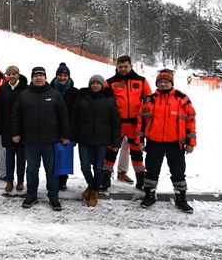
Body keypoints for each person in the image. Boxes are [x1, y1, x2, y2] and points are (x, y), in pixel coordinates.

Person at [137, 70, 197, 213]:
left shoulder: (182, 98)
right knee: (151, 170)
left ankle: (181, 198)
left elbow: (190, 121)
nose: (163, 84)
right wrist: (140, 140)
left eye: (166, 82)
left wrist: (191, 142)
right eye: (160, 82)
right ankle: (150, 195)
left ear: (171, 83)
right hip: (154, 142)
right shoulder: (148, 99)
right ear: (157, 83)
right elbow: (141, 122)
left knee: (178, 171)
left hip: (175, 143)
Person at [11, 66, 70, 211]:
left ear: (45, 77)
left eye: (41, 75)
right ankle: (31, 195)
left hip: (50, 141)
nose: (38, 78)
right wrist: (15, 133)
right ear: (32, 78)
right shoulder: (24, 95)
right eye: (36, 75)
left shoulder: (55, 95)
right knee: (31, 170)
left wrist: (65, 135)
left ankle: (53, 196)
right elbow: (16, 116)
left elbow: (63, 116)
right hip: (30, 142)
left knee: (51, 171)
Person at [103, 55, 152, 191]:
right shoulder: (110, 83)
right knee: (111, 150)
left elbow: (149, 102)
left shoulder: (141, 81)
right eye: (120, 67)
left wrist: (147, 122)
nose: (123, 69)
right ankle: (105, 177)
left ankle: (141, 178)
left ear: (131, 66)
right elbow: (104, 103)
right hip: (117, 124)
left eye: (126, 66)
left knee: (136, 151)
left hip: (135, 124)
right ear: (116, 67)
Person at [72, 75, 121, 207]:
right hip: (84, 139)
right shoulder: (81, 98)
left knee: (99, 168)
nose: (95, 86)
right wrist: (73, 136)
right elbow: (74, 118)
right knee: (85, 167)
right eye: (93, 83)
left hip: (102, 140)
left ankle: (94, 192)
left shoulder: (109, 100)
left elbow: (116, 122)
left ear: (102, 85)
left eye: (98, 83)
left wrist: (116, 141)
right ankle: (92, 185)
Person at [0, 66, 28, 192]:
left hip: (22, 129)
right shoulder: (3, 89)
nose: (12, 76)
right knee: (9, 157)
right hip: (7, 128)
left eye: (14, 74)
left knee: (21, 157)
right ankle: (9, 181)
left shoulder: (25, 88)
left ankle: (20, 181)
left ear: (18, 75)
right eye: (9, 74)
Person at [49, 62, 78, 191]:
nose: (62, 78)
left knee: (64, 156)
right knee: (52, 157)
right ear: (56, 76)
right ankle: (52, 180)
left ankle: (62, 181)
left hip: (68, 128)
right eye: (60, 75)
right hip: (51, 128)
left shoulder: (74, 92)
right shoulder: (50, 90)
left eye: (65, 75)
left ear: (69, 77)